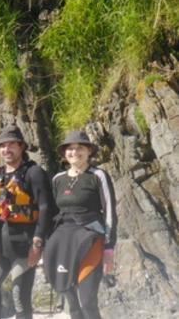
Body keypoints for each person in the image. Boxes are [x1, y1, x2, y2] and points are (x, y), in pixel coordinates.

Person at [0, 125, 53, 319]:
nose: (6, 149)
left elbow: (46, 208)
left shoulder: (34, 173)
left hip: (24, 246)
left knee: (19, 300)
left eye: (11, 144)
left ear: (21, 146)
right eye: (2, 146)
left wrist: (38, 244)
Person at [43, 130, 117, 319]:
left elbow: (109, 211)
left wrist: (109, 248)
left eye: (80, 148)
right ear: (64, 153)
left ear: (89, 151)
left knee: (87, 302)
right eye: (70, 148)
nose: (74, 152)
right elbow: (52, 214)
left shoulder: (98, 175)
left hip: (90, 240)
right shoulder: (57, 179)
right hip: (63, 242)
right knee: (72, 303)